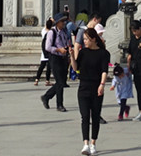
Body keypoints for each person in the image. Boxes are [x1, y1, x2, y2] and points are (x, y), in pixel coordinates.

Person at [74, 22, 110, 155]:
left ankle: (93, 143)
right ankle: (85, 144)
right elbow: (75, 68)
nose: (84, 42)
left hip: (96, 87)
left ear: (93, 39)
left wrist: (102, 85)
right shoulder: (83, 52)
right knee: (84, 116)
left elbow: (104, 71)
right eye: (83, 39)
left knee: (95, 116)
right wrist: (72, 55)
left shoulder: (103, 53)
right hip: (83, 87)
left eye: (86, 39)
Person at [39, 13, 71, 112]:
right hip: (55, 58)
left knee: (61, 82)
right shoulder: (51, 32)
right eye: (62, 21)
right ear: (57, 23)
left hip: (63, 58)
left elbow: (66, 43)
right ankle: (59, 104)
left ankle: (46, 96)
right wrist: (58, 50)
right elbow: (47, 47)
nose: (63, 23)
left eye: (64, 21)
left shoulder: (64, 32)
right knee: (60, 82)